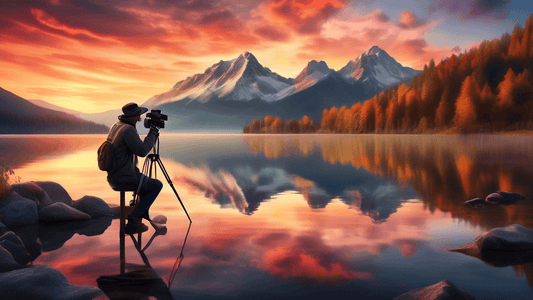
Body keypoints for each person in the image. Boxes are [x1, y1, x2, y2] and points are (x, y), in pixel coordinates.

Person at [106, 102, 163, 234]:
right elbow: (142, 151)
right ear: (133, 116)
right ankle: (134, 220)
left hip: (114, 175)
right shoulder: (129, 130)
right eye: (138, 115)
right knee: (156, 185)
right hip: (123, 178)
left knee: (145, 183)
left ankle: (139, 216)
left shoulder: (117, 126)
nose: (140, 118)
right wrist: (153, 131)